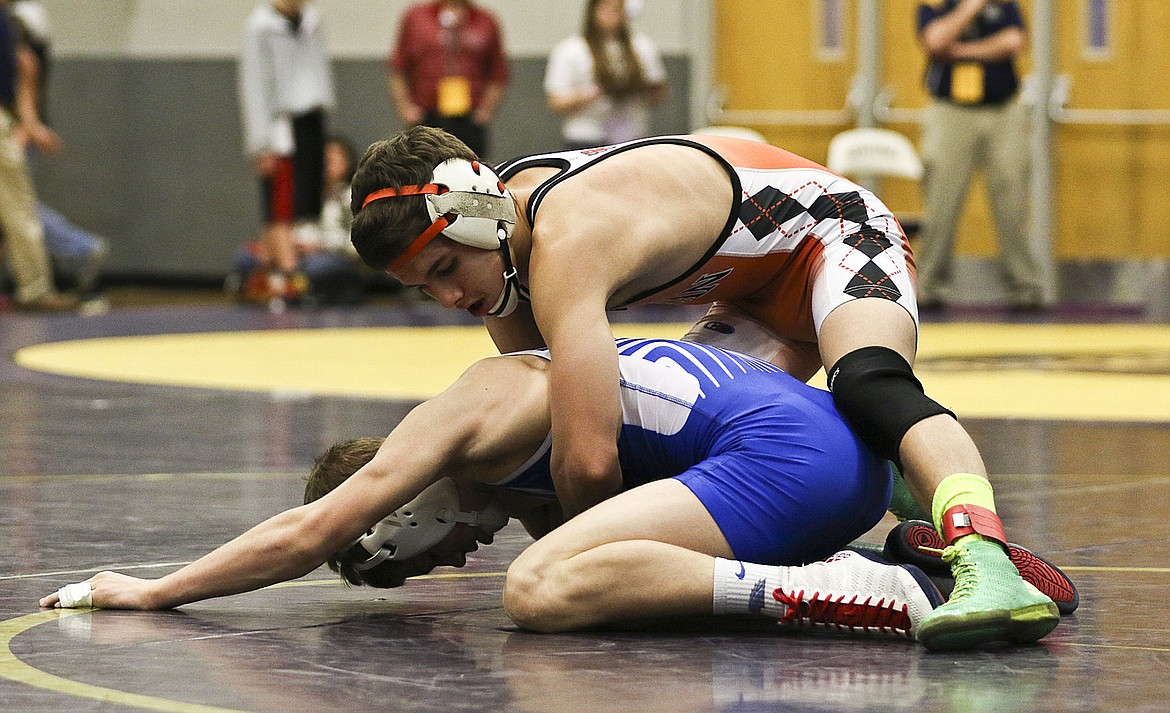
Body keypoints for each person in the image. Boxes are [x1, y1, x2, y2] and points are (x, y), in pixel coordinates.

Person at [347, 125, 1063, 650]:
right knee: (696, 447)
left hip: (834, 232)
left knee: (870, 383)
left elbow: (586, 467)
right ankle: (892, 525)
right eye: (424, 287)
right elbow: (559, 436)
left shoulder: (563, 237)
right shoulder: (500, 266)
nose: (447, 297)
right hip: (751, 294)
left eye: (446, 269)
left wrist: (587, 558)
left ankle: (984, 556)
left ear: (478, 217)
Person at [42, 338, 947, 643]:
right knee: (592, 567)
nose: (451, 565)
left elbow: (309, 531)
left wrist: (155, 589)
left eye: (417, 560)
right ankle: (906, 557)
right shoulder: (540, 491)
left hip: (789, 459)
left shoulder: (469, 407)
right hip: (848, 460)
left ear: (398, 512)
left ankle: (846, 589)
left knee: (538, 587)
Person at [914, 0, 1046, 312]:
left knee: (1012, 202)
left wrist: (959, 51)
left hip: (1002, 112)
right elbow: (936, 41)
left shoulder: (1003, 4)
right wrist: (970, 8)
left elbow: (1013, 41)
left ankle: (1025, 289)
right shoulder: (935, 4)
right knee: (941, 204)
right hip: (951, 113)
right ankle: (928, 287)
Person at [238, 0, 336, 306]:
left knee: (304, 200)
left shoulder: (311, 20)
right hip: (280, 123)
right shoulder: (260, 27)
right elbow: (254, 85)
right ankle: (286, 273)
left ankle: (279, 268)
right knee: (280, 200)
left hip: (310, 117)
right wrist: (260, 142)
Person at [231, 135, 364, 306]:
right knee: (245, 256)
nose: (327, 161)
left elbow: (357, 242)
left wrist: (321, 246)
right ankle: (275, 288)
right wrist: (277, 246)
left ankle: (290, 289)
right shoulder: (303, 194)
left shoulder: (352, 196)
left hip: (331, 256)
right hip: (296, 252)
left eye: (334, 156)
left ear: (348, 162)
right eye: (324, 157)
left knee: (316, 267)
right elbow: (283, 226)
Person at [0, 0, 73, 311]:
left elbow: (24, 70)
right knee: (19, 209)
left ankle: (35, 286)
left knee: (19, 208)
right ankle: (35, 288)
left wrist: (28, 123)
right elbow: (26, 69)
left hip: (7, 118)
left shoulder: (9, 22)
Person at [387, 0, 509, 159]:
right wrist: (406, 108)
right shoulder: (416, 18)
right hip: (426, 115)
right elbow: (397, 68)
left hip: (469, 118)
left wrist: (486, 111)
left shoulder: (486, 21)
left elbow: (498, 73)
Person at [544, 0, 668, 150]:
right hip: (587, 137)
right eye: (608, 9)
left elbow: (660, 91)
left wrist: (638, 89)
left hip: (632, 135)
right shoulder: (571, 49)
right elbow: (556, 101)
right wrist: (592, 94)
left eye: (619, 9)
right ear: (593, 11)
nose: (615, 15)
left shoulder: (642, 46)